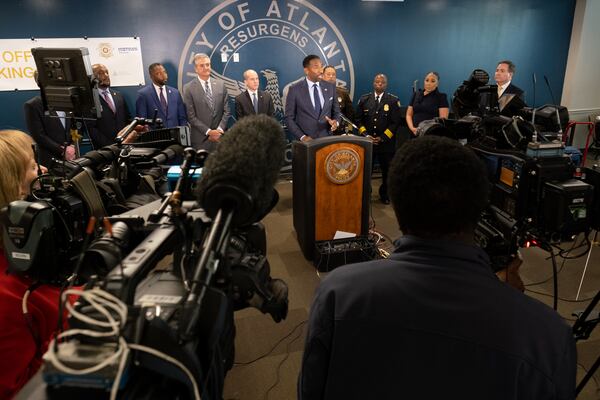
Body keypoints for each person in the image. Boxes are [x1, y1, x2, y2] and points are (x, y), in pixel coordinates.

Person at [298, 136, 576, 400]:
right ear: (480, 205)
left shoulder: (337, 293)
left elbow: (310, 391)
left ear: (395, 205)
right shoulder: (548, 336)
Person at [0, 130, 62, 398]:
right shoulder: (10, 295)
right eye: (33, 166)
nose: (43, 170)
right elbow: (15, 389)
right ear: (13, 184)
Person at [355, 73, 401, 204]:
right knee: (365, 171)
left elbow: (395, 122)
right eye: (377, 82)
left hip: (386, 144)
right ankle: (366, 194)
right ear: (373, 83)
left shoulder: (392, 101)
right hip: (367, 143)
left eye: (382, 82)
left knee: (387, 171)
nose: (379, 84)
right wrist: (365, 135)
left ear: (386, 85)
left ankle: (385, 194)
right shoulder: (364, 99)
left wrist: (383, 137)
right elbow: (358, 120)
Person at [284, 55, 341, 141]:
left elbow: (336, 112)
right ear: (306, 70)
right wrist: (302, 137)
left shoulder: (330, 87)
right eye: (316, 67)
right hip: (305, 144)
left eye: (321, 66)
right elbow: (289, 118)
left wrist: (335, 122)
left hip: (327, 141)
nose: (321, 70)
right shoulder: (294, 89)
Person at [23, 72, 75, 166]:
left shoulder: (69, 102)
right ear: (40, 83)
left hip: (73, 157)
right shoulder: (33, 105)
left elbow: (77, 127)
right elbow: (39, 135)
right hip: (50, 160)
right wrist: (62, 150)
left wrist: (73, 146)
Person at [183, 53, 230, 151]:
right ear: (196, 69)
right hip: (201, 141)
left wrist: (219, 130)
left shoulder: (221, 85)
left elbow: (227, 111)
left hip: (220, 139)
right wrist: (209, 132)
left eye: (207, 64)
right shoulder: (188, 88)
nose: (205, 67)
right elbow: (191, 116)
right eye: (202, 65)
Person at [88, 64, 131, 149]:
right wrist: (110, 146)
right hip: (103, 150)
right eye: (101, 73)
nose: (106, 75)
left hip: (124, 145)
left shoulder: (119, 95)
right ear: (92, 78)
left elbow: (128, 119)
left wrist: (126, 139)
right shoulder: (89, 100)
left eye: (107, 72)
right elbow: (91, 128)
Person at [136, 63, 188, 129]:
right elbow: (142, 122)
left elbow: (182, 118)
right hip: (155, 137)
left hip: (175, 136)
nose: (164, 76)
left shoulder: (175, 93)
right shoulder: (143, 95)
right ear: (151, 76)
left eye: (164, 72)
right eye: (159, 73)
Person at [405, 71, 449, 135]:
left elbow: (442, 120)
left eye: (433, 81)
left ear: (437, 84)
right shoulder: (416, 94)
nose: (429, 83)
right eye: (427, 80)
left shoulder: (441, 97)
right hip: (414, 132)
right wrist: (412, 128)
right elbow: (408, 115)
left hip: (431, 134)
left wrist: (428, 130)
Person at [322, 65, 354, 135]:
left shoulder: (343, 93)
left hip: (339, 133)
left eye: (333, 75)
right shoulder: (316, 92)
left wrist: (349, 131)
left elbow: (350, 116)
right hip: (322, 133)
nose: (331, 76)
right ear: (322, 76)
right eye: (328, 74)